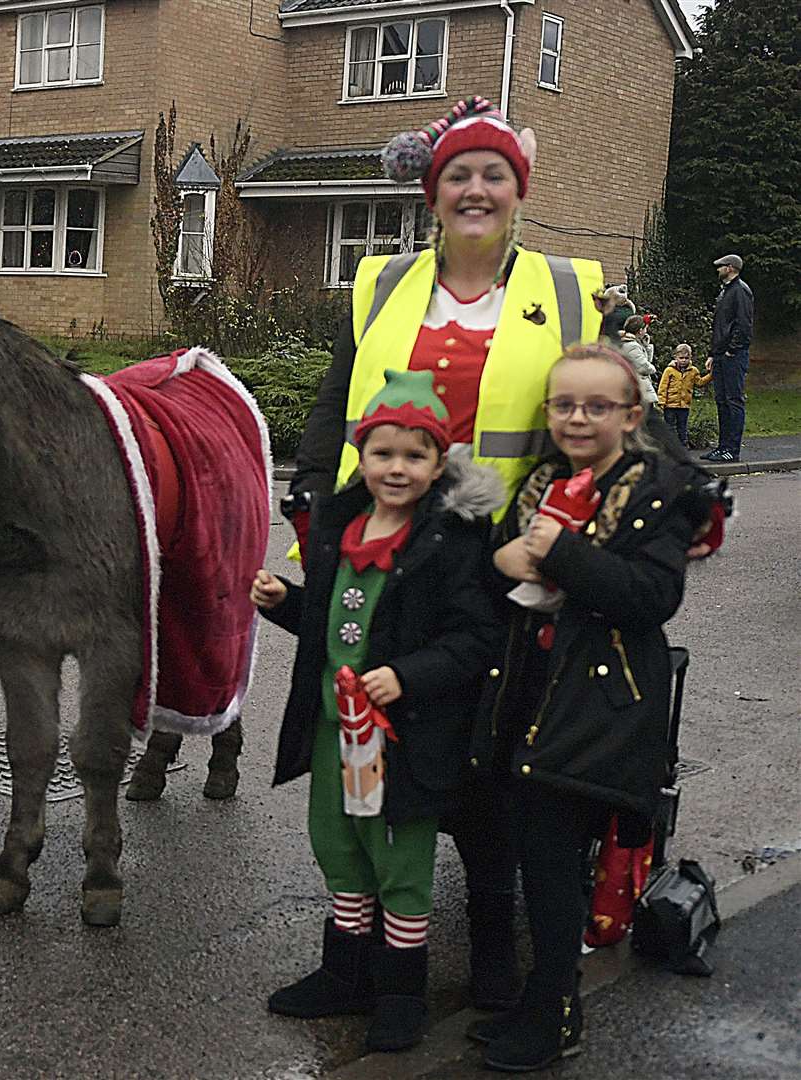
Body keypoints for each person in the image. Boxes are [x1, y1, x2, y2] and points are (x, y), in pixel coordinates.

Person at [293, 95, 604, 1011]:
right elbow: (333, 404)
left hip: (509, 563)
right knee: (377, 740)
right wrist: (316, 513)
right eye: (458, 175)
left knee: (493, 761)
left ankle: (492, 957)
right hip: (391, 552)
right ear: (431, 195)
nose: (476, 190)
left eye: (494, 176)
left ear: (519, 191)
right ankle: (356, 960)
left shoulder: (566, 288)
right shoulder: (385, 284)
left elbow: (603, 411)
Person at [465, 344, 705, 1071]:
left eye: (598, 406)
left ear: (631, 417)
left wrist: (560, 555)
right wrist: (503, 557)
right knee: (535, 856)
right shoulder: (545, 479)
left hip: (597, 701)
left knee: (552, 860)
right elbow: (506, 556)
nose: (578, 418)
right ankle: (541, 1002)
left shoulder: (658, 489)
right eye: (565, 404)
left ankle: (555, 1011)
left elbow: (651, 598)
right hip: (529, 688)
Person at [253, 369, 503, 1053]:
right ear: (360, 456)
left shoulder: (450, 542)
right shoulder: (341, 525)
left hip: (404, 740)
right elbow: (334, 627)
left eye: (415, 455)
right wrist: (287, 604)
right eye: (382, 453)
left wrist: (406, 676)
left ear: (440, 461)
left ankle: (399, 994)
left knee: (398, 862)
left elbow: (475, 640)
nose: (396, 468)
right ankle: (345, 975)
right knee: (340, 847)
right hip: (337, 734)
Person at [705, 253, 754, 462]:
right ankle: (722, 446)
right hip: (722, 355)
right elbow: (720, 326)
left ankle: (731, 449)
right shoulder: (726, 292)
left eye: (721, 266)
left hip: (733, 355)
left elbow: (743, 325)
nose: (718, 269)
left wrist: (731, 350)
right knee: (722, 401)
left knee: (733, 400)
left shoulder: (740, 291)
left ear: (731, 268)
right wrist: (713, 353)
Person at [656, 343, 709, 447]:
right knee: (669, 426)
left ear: (690, 358)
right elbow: (663, 387)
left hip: (684, 405)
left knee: (682, 426)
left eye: (686, 358)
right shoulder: (669, 370)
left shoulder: (693, 371)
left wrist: (711, 375)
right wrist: (661, 402)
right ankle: (669, 445)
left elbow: (700, 382)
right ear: (675, 357)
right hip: (670, 405)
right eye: (681, 358)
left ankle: (683, 444)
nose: (684, 360)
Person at [615, 312, 657, 406]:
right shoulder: (632, 346)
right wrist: (653, 369)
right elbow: (643, 366)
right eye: (645, 328)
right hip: (638, 388)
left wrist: (646, 346)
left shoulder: (635, 344)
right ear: (640, 330)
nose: (646, 331)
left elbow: (647, 360)